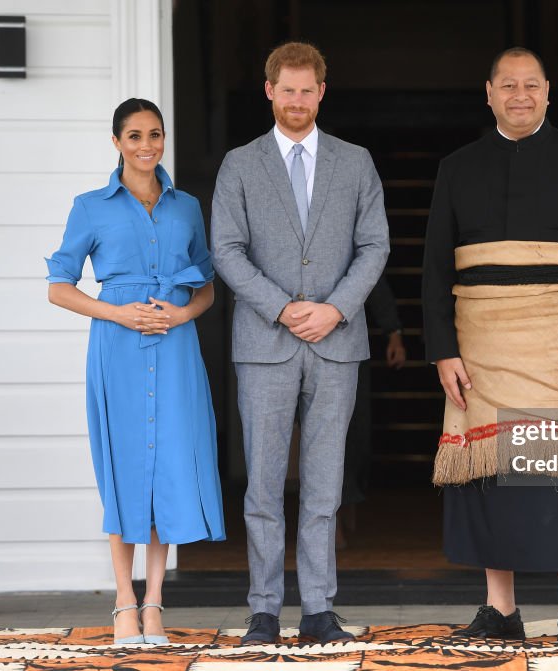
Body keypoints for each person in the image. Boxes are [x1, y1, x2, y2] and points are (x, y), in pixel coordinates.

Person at [422, 47, 558, 642]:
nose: (519, 95)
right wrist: (443, 348)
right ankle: (500, 607)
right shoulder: (457, 167)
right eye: (507, 85)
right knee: (487, 473)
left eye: (530, 85)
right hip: (479, 343)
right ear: (488, 92)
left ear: (547, 91)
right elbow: (436, 266)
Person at [211, 42, 389, 645]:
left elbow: (375, 246)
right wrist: (283, 307)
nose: (296, 100)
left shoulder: (355, 161)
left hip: (337, 342)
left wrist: (335, 307)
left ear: (321, 91)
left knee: (324, 484)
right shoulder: (239, 164)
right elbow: (226, 250)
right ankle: (264, 609)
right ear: (269, 90)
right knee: (262, 484)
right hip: (265, 341)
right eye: (286, 89)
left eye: (306, 90)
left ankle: (318, 608)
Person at [46, 98, 225, 645]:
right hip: (117, 351)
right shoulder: (90, 206)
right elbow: (59, 287)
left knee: (169, 466)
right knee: (125, 468)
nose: (146, 146)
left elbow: (207, 286)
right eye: (134, 136)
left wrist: (183, 312)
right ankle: (124, 602)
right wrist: (117, 312)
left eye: (155, 134)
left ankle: (154, 606)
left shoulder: (187, 206)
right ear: (117, 142)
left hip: (175, 349)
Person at [338, 276, 406, 549]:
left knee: (357, 438)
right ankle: (333, 522)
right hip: (299, 345)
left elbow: (373, 282)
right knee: (322, 442)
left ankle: (349, 500)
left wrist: (394, 333)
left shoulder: (352, 238)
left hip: (350, 349)